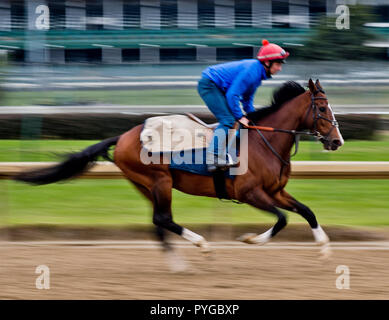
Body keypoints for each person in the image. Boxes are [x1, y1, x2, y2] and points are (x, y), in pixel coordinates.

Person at [198, 39, 289, 172]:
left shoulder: (258, 74)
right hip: (209, 85)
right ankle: (213, 158)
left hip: (220, 88)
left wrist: (251, 116)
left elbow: (247, 99)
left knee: (247, 121)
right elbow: (232, 95)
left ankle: (234, 152)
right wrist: (240, 116)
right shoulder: (252, 71)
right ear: (267, 62)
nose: (280, 68)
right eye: (278, 64)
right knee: (228, 119)